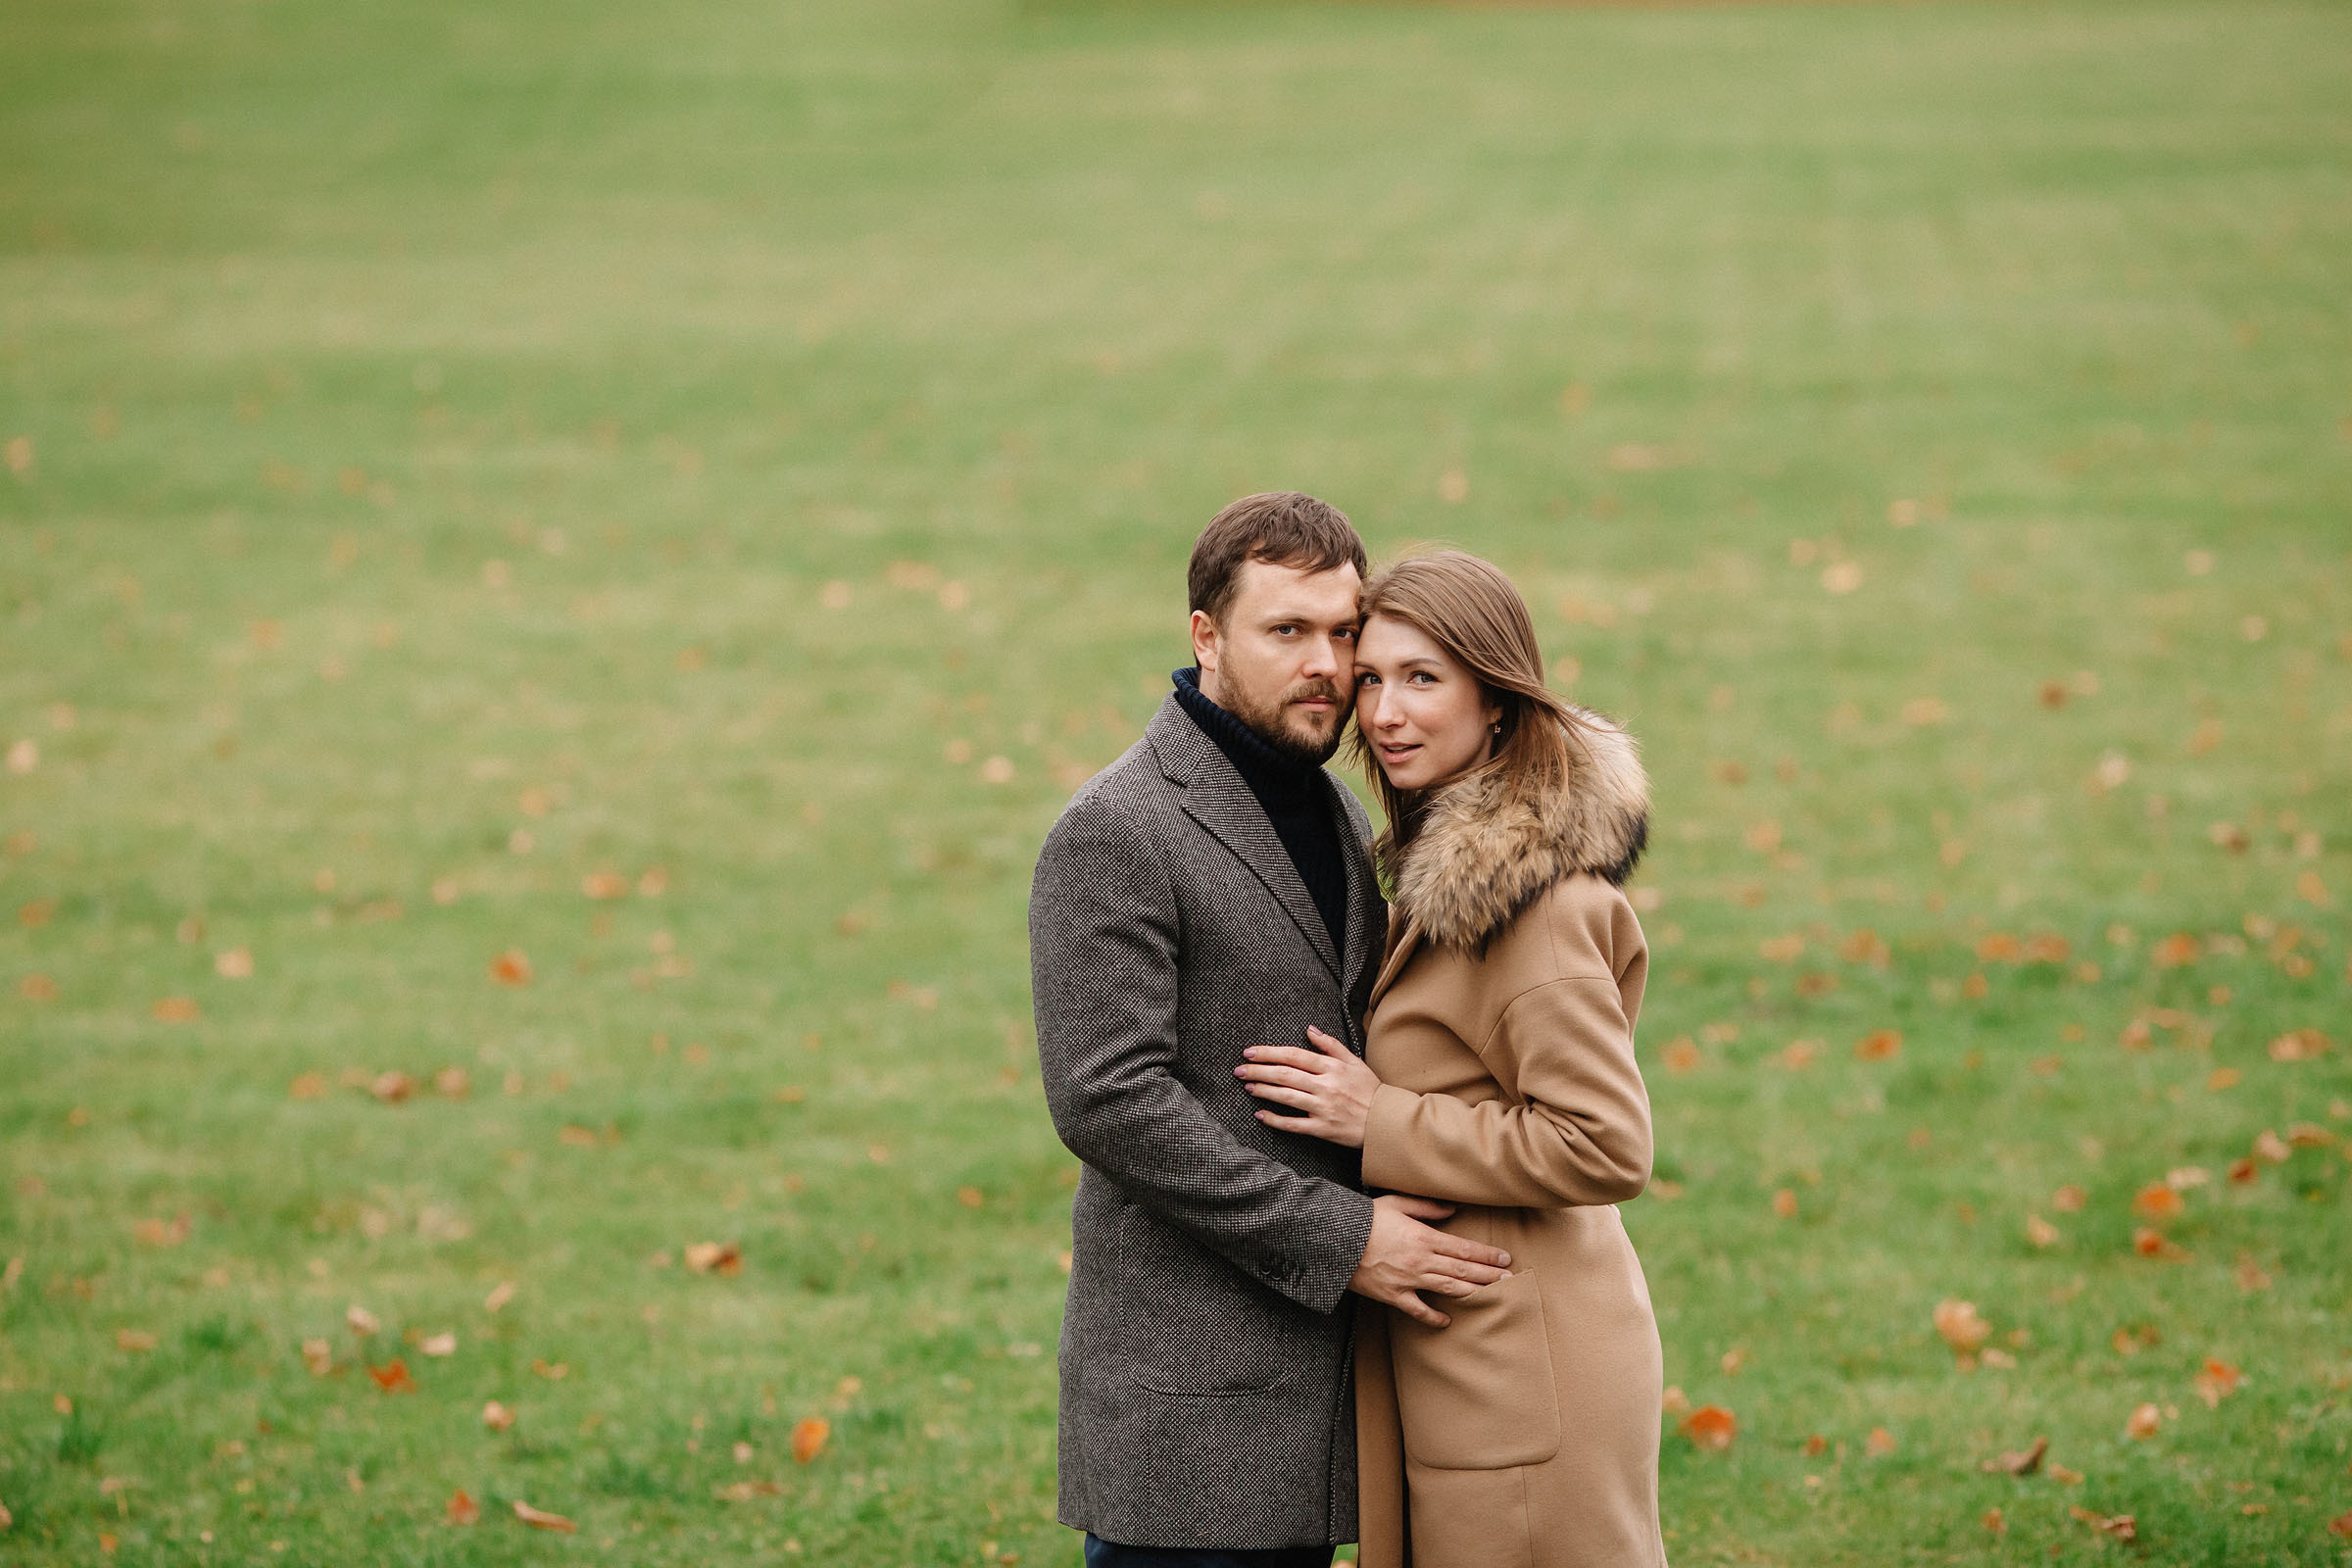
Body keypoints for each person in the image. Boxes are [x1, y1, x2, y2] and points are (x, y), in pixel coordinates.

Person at [1030, 497, 1516, 1568]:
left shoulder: (1335, 807)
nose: (1328, 666)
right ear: (1206, 636)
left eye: (1345, 632)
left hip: (1320, 1396)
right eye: (1287, 631)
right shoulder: (1117, 829)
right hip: (1189, 1415)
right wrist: (1346, 1242)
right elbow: (1107, 1098)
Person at [1236, 550, 1667, 1568]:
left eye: (1424, 679)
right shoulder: (1445, 882)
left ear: (1500, 706)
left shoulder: (1540, 908)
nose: (1383, 712)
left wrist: (1376, 1119)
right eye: (1373, 678)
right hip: (1471, 1357)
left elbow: (1606, 1144)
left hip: (1529, 1375)